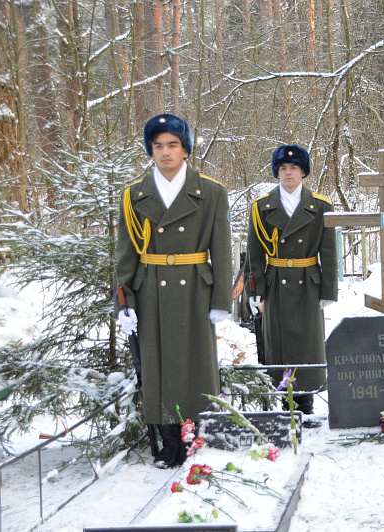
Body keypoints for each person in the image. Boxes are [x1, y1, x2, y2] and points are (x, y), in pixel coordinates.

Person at [115, 113, 232, 468]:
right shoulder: (134, 196)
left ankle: (193, 436)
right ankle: (167, 441)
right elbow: (126, 254)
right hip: (150, 289)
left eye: (172, 145)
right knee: (158, 365)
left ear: (185, 150)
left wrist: (221, 299)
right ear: (151, 151)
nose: (165, 153)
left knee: (195, 364)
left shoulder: (210, 191)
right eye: (157, 146)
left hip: (195, 288)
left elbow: (222, 250)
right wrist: (124, 303)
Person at [244, 144, 338, 417]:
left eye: (294, 168)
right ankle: (286, 406)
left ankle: (305, 404)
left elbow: (329, 252)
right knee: (279, 347)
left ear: (303, 172)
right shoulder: (261, 208)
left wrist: (328, 289)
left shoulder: (320, 206)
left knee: (307, 346)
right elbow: (255, 253)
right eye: (283, 168)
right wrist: (255, 290)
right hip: (275, 284)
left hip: (307, 283)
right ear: (277, 172)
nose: (288, 173)